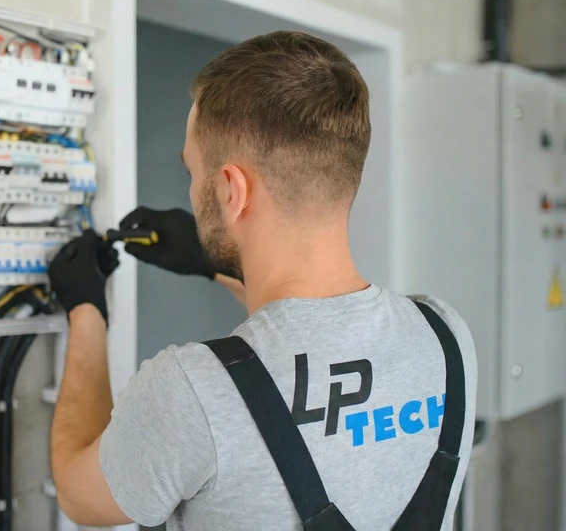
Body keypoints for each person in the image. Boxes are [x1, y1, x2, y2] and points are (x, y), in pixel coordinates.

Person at [46, 31, 477, 530]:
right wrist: (212, 262)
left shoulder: (190, 393)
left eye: (193, 171)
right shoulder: (445, 337)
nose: (191, 190)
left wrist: (86, 311)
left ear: (232, 190)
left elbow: (79, 494)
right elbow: (302, 347)